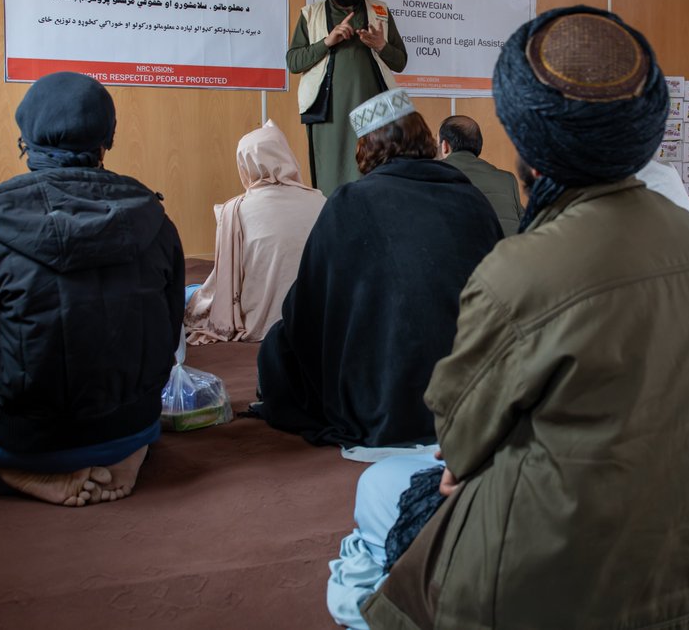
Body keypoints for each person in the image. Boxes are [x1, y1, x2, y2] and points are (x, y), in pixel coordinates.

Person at [331, 7, 689, 630]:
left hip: (566, 595)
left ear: (527, 144)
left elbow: (459, 444)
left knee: (381, 486)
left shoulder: (522, 268)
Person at [0, 72, 185, 507]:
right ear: (106, 141)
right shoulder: (155, 220)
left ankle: (15, 467)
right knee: (124, 414)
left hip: (31, 433)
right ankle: (131, 451)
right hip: (132, 420)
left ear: (26, 140)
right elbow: (169, 336)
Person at [254, 88, 502, 450]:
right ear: (427, 141)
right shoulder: (470, 197)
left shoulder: (351, 202)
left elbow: (310, 306)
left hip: (389, 396)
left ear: (366, 148)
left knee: (279, 343)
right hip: (478, 387)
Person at [184, 120, 325, 344]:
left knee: (189, 294)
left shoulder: (234, 210)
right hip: (318, 318)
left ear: (244, 164)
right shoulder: (321, 201)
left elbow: (225, 283)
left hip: (260, 324)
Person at [289, 0, 408, 197]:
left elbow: (400, 61)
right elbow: (294, 62)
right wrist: (327, 42)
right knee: (332, 182)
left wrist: (381, 45)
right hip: (329, 113)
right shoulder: (310, 15)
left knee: (376, 180)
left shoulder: (380, 11)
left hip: (377, 111)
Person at [437, 115, 524, 236]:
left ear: (444, 146)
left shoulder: (433, 177)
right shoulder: (507, 180)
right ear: (478, 145)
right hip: (507, 253)